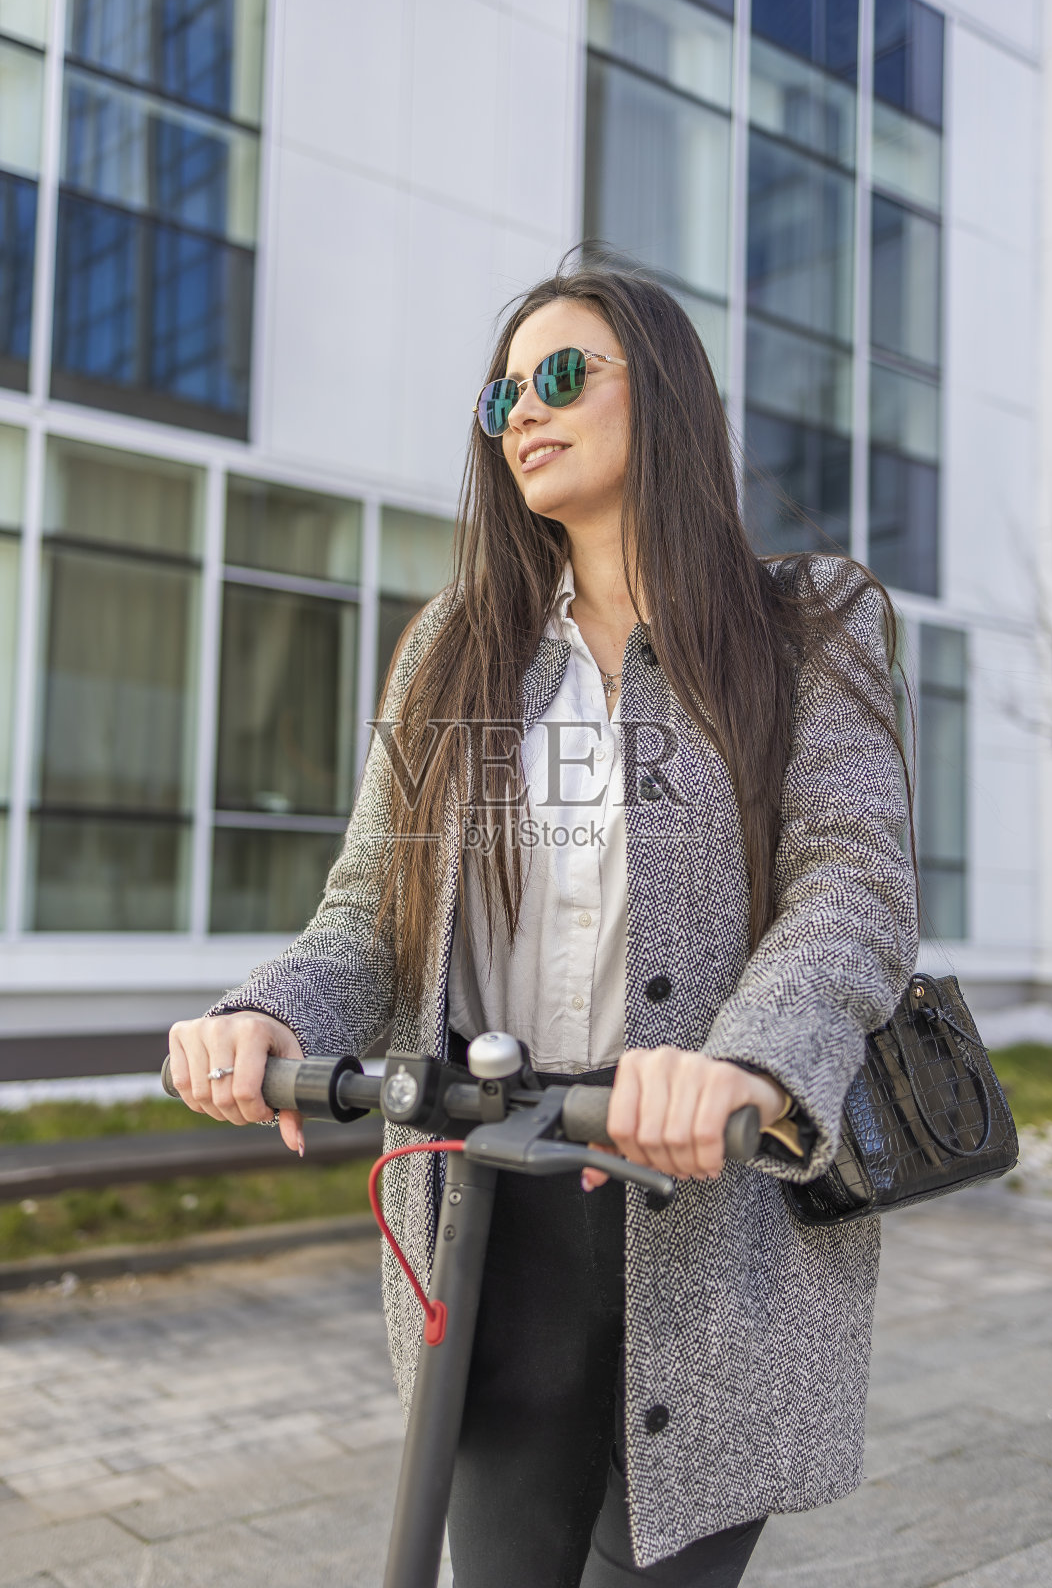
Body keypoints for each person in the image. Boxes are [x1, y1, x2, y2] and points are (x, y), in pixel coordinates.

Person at [169, 260, 918, 1586]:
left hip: (700, 1190)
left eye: (563, 375)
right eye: (503, 392)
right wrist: (270, 1015)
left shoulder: (811, 625)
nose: (524, 407)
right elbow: (368, 914)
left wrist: (745, 1063)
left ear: (667, 397)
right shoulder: (452, 650)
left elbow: (850, 890)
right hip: (485, 1201)